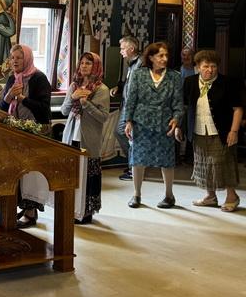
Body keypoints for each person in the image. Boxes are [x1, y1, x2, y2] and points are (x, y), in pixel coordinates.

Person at [123, 42, 183, 209]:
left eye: (166, 55)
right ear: (151, 57)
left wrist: (176, 118)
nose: (165, 59)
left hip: (165, 123)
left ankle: (169, 195)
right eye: (160, 55)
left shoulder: (174, 76)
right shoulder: (139, 74)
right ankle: (136, 194)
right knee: (138, 159)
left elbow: (178, 102)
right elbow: (131, 99)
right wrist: (128, 121)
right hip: (141, 122)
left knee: (167, 160)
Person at [180, 50, 242, 212]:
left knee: (223, 164)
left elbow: (237, 109)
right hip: (199, 130)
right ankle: (210, 197)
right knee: (204, 165)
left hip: (222, 131)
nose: (210, 70)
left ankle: (232, 197)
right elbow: (184, 107)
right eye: (205, 66)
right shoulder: (190, 82)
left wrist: (234, 131)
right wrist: (179, 126)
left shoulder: (227, 83)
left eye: (213, 66)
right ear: (198, 67)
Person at [0, 44, 52, 227]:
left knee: (31, 173)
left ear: (27, 59)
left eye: (19, 58)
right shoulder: (12, 78)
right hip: (15, 131)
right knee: (18, 173)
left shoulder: (39, 78)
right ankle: (22, 206)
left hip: (35, 132)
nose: (14, 61)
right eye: (12, 57)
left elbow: (44, 109)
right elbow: (2, 108)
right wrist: (8, 97)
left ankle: (31, 211)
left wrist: (23, 99)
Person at [60, 52, 110, 224]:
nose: (84, 66)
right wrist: (73, 97)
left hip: (89, 138)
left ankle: (87, 212)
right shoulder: (74, 85)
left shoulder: (102, 89)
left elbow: (103, 117)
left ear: (96, 66)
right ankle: (72, 209)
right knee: (72, 174)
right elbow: (64, 111)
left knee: (88, 176)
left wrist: (86, 104)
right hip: (71, 135)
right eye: (82, 63)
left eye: (88, 63)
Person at [111, 36, 141, 180]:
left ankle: (134, 166)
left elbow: (138, 88)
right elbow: (129, 83)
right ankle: (133, 165)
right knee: (123, 133)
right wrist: (119, 87)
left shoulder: (140, 64)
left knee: (124, 133)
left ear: (131, 49)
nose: (120, 51)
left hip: (133, 106)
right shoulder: (131, 63)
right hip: (126, 104)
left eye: (123, 48)